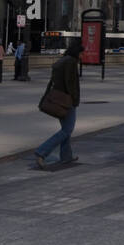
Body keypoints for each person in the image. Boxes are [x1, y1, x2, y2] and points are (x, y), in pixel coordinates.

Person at [34, 37, 82, 169]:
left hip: (58, 99)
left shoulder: (62, 61)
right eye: (82, 53)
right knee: (67, 130)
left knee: (66, 129)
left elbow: (54, 82)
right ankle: (41, 152)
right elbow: (70, 83)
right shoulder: (71, 62)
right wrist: (74, 99)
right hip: (67, 101)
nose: (83, 56)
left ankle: (66, 156)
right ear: (77, 52)